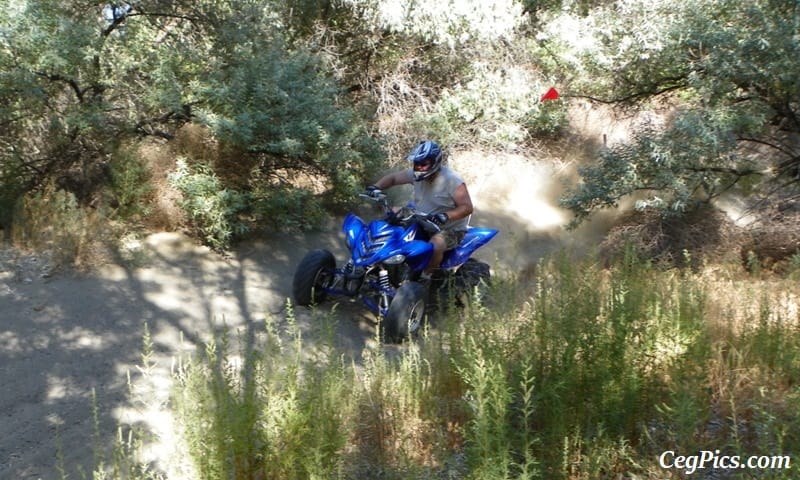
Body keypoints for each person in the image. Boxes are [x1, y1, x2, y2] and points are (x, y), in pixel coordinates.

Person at [366, 140, 473, 277]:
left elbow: (467, 207)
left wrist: (446, 216)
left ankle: (426, 277)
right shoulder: (416, 175)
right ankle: (377, 263)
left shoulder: (452, 181)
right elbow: (393, 179)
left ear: (435, 162)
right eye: (416, 163)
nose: (419, 167)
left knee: (436, 245)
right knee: (391, 217)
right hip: (422, 219)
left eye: (423, 163)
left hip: (448, 228)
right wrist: (376, 187)